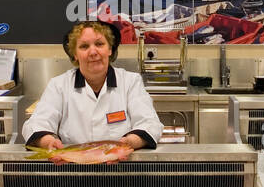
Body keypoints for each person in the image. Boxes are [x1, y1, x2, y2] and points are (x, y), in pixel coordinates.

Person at [22, 20, 163, 159]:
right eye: (84, 46)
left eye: (99, 44)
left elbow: (150, 124)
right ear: (75, 54)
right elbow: (36, 124)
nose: (93, 52)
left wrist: (128, 142)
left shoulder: (130, 82)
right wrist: (49, 143)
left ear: (110, 49)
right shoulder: (58, 85)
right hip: (71, 172)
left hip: (121, 172)